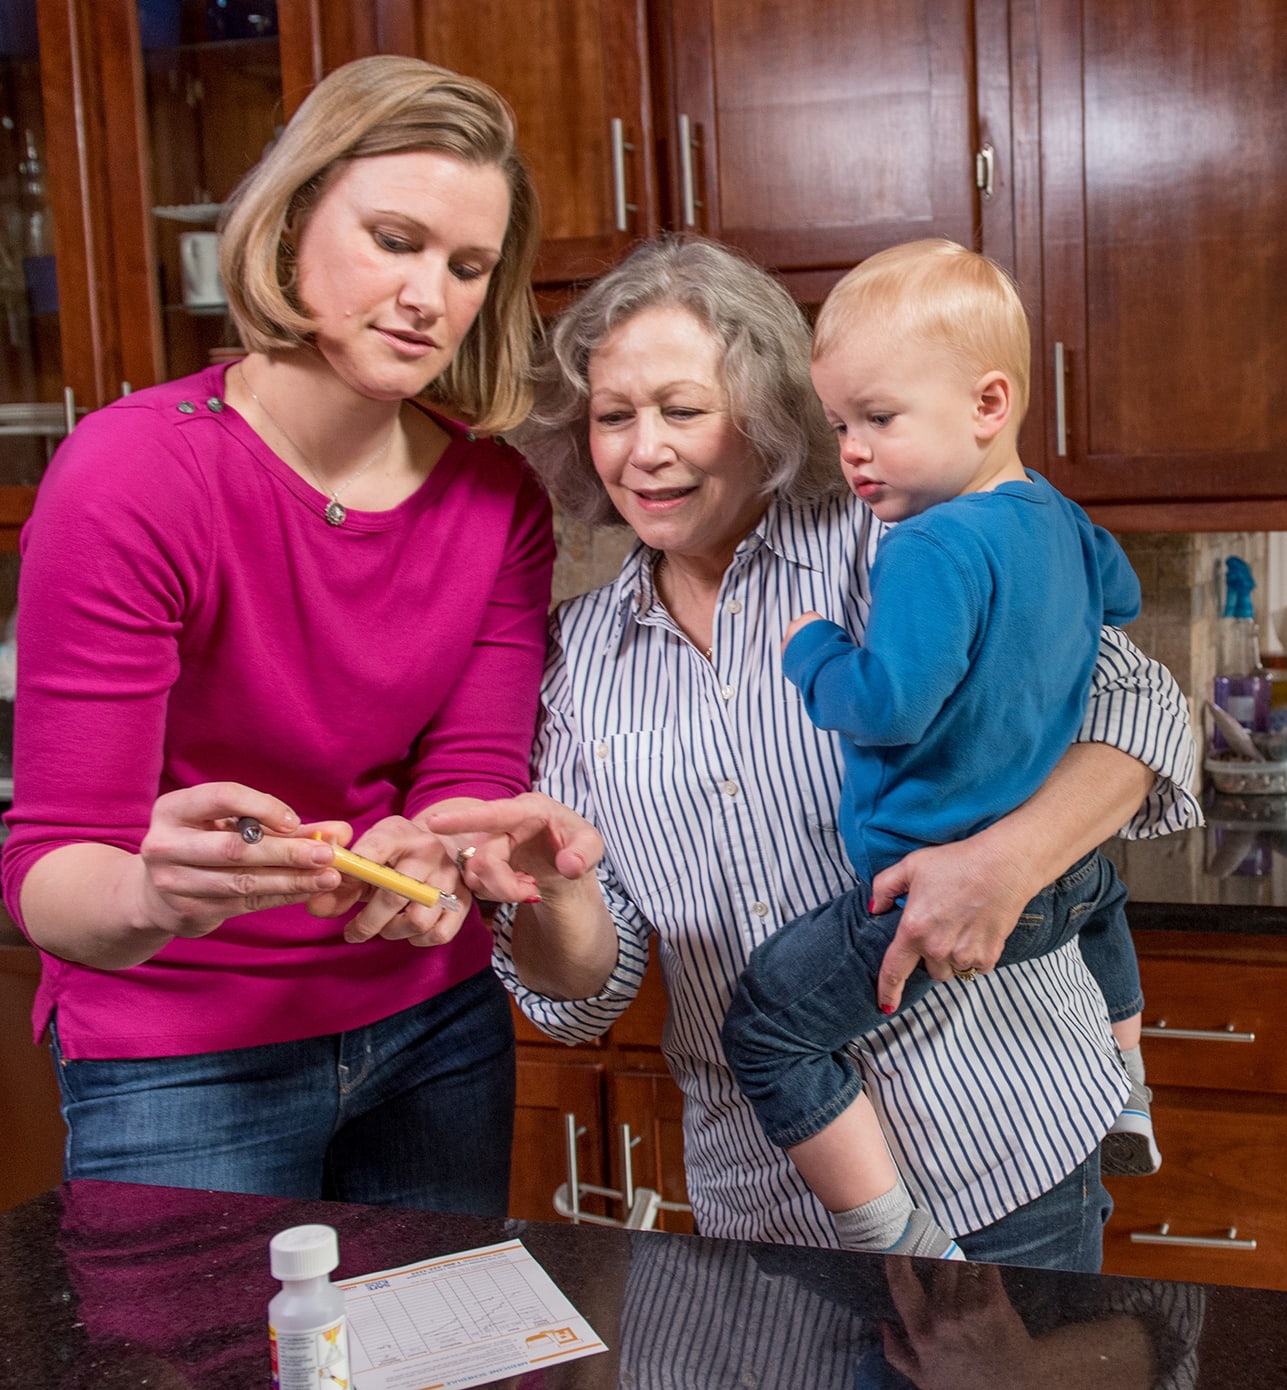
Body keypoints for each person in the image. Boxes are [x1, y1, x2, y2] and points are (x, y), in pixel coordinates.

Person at [433, 235, 1201, 1271]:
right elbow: (583, 995)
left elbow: (1145, 705)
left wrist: (1006, 864)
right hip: (766, 1198)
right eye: (613, 416)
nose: (641, 449)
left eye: (681, 408)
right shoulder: (573, 663)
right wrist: (552, 892)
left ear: (760, 412)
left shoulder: (903, 533)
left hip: (1001, 1151)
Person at [0, 55, 554, 1212]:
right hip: (179, 1053)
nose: (427, 297)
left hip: (433, 1030)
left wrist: (439, 854)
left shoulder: (500, 499)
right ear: (293, 223)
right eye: (393, 239)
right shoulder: (131, 475)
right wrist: (157, 894)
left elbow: (469, 781)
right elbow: (48, 870)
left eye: (466, 267)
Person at [719, 238, 1158, 1265]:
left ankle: (893, 1236)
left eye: (878, 418)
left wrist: (812, 649)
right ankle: (1128, 1088)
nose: (854, 453)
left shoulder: (923, 541)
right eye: (838, 426)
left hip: (923, 889)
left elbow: (889, 707)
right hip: (1059, 875)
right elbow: (1121, 603)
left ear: (987, 404)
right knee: (1102, 893)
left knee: (768, 1026)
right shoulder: (1053, 513)